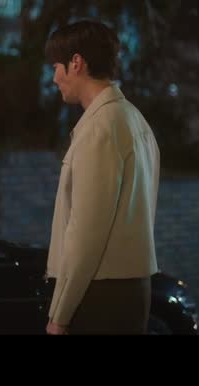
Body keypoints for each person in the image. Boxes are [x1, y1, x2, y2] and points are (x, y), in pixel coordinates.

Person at [43, 20, 160, 335]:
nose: (54, 78)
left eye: (56, 67)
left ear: (76, 63)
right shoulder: (134, 119)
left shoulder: (100, 128)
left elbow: (86, 236)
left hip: (100, 294)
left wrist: (59, 315)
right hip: (129, 289)